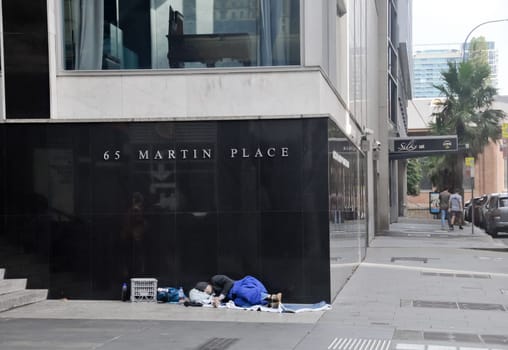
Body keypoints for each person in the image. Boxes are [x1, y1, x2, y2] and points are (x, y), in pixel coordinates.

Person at [191, 274, 282, 308]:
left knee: (245, 292)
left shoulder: (215, 279)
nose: (207, 291)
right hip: (234, 296)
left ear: (207, 285)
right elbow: (222, 299)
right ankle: (271, 303)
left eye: (206, 289)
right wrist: (217, 302)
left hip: (238, 285)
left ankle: (271, 297)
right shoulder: (214, 294)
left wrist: (221, 296)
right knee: (242, 303)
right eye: (205, 291)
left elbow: (229, 282)